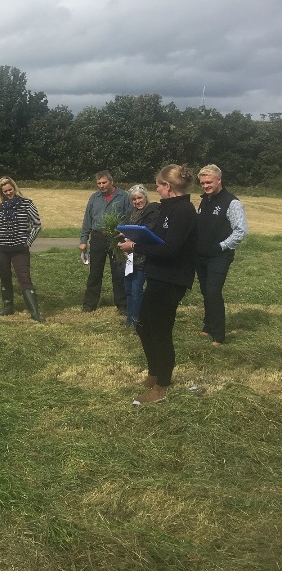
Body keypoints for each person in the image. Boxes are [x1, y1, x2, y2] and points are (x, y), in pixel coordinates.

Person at [118, 165, 198, 405]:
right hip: (157, 275)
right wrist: (136, 237)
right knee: (144, 327)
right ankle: (154, 374)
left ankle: (162, 386)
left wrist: (136, 247)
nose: (157, 189)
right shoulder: (168, 208)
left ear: (169, 187)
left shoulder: (184, 211)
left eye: (159, 185)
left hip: (172, 279)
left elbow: (171, 249)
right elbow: (159, 238)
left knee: (161, 332)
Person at [196, 164, 248, 346]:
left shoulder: (232, 202)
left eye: (209, 182)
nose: (205, 186)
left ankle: (219, 335)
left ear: (219, 180)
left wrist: (221, 246)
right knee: (205, 291)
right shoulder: (205, 200)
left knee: (213, 292)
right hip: (202, 255)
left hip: (220, 255)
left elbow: (240, 231)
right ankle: (208, 325)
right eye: (202, 183)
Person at [0, 176, 44, 323]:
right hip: (1, 248)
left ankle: (34, 312)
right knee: (5, 277)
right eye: (5, 191)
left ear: (15, 188)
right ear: (1, 192)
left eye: (10, 190)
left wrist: (28, 242)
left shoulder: (27, 204)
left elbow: (37, 225)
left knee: (24, 278)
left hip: (19, 248)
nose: (8, 193)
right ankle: (7, 306)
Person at [80, 170, 131, 313]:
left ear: (111, 181)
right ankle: (89, 304)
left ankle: (122, 304)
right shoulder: (94, 198)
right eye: (99, 183)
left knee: (119, 273)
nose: (101, 185)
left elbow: (130, 217)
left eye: (104, 182)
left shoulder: (123, 197)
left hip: (117, 239)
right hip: (98, 238)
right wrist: (83, 239)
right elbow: (87, 220)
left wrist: (127, 233)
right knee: (95, 273)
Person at [123, 185, 160, 330]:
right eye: (134, 199)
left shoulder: (152, 211)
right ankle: (129, 319)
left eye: (139, 198)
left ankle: (137, 321)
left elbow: (147, 232)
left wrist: (130, 236)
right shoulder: (130, 213)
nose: (137, 201)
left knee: (137, 290)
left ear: (145, 197)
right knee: (128, 289)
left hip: (142, 256)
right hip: (129, 256)